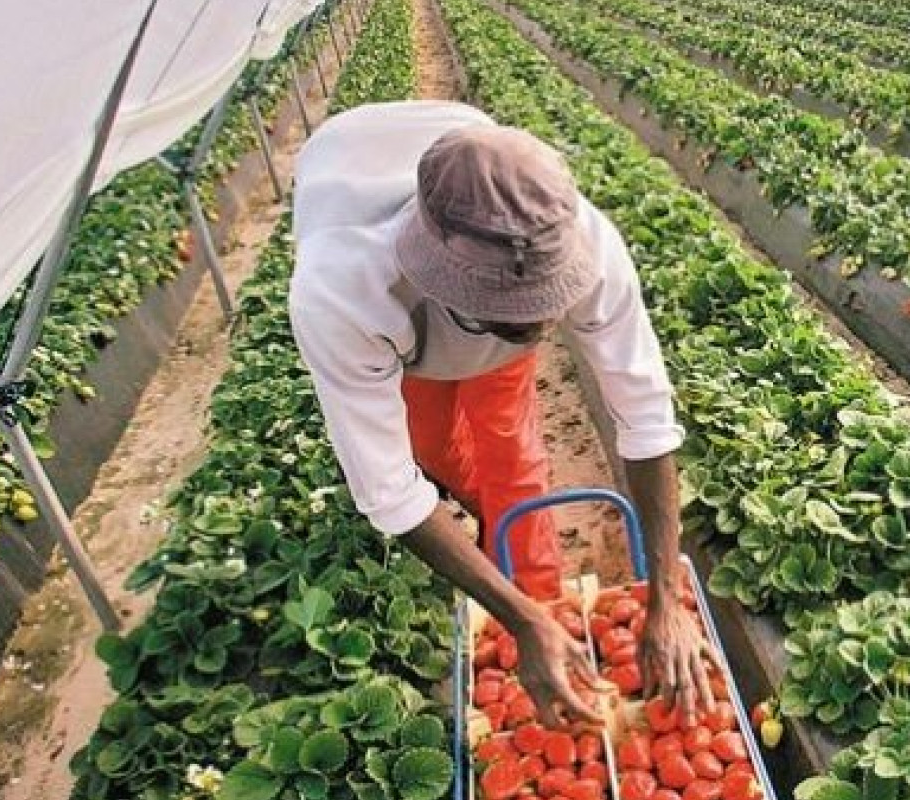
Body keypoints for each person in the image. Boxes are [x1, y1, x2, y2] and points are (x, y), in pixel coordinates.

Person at [287, 100, 714, 729]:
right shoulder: (341, 288)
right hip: (372, 238)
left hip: (463, 176)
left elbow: (645, 413)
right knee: (425, 448)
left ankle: (534, 584)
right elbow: (387, 491)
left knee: (509, 446)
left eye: (545, 305)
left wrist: (666, 597)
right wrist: (513, 619)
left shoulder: (584, 244)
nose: (537, 327)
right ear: (439, 279)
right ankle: (499, 547)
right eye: (506, 313)